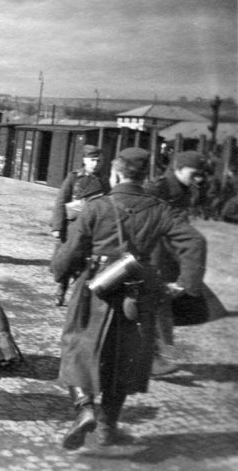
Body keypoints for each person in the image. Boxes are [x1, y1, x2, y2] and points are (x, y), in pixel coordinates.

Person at [52, 147, 205, 449]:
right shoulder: (161, 209)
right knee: (123, 358)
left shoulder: (97, 207)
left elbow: (72, 252)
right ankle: (108, 428)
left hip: (95, 287)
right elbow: (194, 242)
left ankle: (84, 409)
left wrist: (59, 272)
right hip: (137, 292)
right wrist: (186, 285)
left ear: (117, 173)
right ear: (143, 175)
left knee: (76, 346)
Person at [144, 150, 206, 375]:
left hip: (170, 255)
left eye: (201, 174)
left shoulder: (187, 189)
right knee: (152, 305)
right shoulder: (156, 187)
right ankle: (151, 358)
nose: (199, 179)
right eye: (195, 173)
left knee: (162, 306)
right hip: (153, 253)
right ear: (178, 167)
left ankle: (156, 356)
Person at [50, 145, 109, 306]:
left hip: (91, 228)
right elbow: (61, 201)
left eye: (98, 161)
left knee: (85, 263)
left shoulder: (104, 181)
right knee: (66, 260)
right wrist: (57, 227)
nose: (95, 164)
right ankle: (61, 288)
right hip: (72, 227)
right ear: (84, 160)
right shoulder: (74, 177)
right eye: (92, 160)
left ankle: (79, 296)